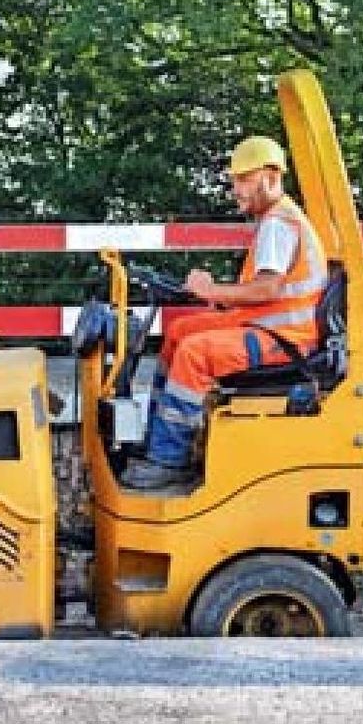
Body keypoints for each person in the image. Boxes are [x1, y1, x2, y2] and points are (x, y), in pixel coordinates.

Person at [123, 135, 328, 489]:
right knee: (179, 332)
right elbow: (263, 293)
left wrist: (212, 291)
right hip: (268, 326)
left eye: (244, 180)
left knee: (195, 353)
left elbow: (268, 289)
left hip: (286, 340)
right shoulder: (278, 219)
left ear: (270, 176)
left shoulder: (278, 224)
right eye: (234, 180)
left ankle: (169, 460)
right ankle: (160, 438)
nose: (236, 189)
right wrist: (213, 293)